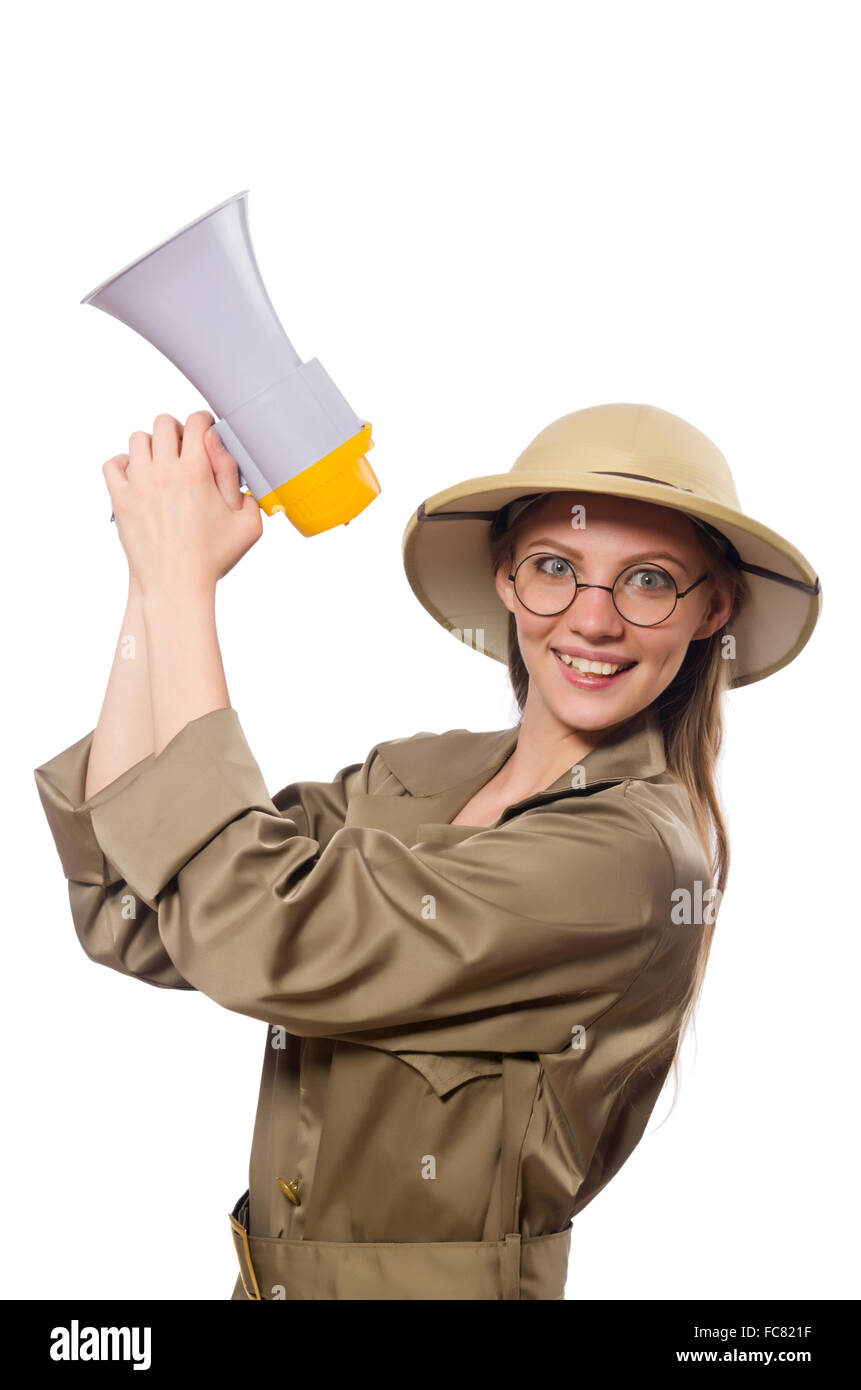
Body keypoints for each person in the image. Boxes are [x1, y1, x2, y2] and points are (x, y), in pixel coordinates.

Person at [33, 401, 822, 1300]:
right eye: (555, 567)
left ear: (709, 608)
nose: (593, 621)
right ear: (506, 581)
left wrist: (184, 589)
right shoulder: (414, 775)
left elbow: (255, 934)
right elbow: (129, 909)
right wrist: (149, 577)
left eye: (647, 581)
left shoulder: (631, 860)